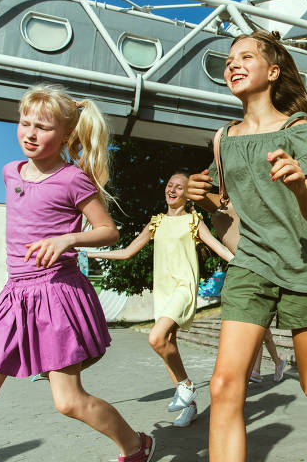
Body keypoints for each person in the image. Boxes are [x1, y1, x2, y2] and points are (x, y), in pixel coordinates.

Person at [0, 84, 155, 462]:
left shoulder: (72, 179)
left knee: (68, 401)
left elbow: (108, 231)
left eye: (43, 128)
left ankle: (136, 444)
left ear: (66, 135)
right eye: (24, 123)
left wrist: (67, 239)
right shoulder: (9, 172)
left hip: (55, 296)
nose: (30, 133)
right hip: (13, 297)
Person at [186, 30, 307, 462]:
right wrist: (199, 194)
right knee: (224, 384)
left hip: (302, 267)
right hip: (251, 265)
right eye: (229, 60)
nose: (233, 65)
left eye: (246, 57)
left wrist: (300, 185)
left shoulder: (299, 131)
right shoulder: (223, 139)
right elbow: (225, 205)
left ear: (273, 71)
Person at [89, 171, 233, 427]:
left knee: (156, 338)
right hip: (163, 292)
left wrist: (244, 262)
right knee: (168, 345)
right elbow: (126, 252)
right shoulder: (155, 223)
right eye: (170, 185)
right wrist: (87, 254)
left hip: (182, 289)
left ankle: (186, 386)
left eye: (180, 186)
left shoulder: (193, 220)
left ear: (188, 194)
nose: (173, 189)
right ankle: (189, 405)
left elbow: (218, 247)